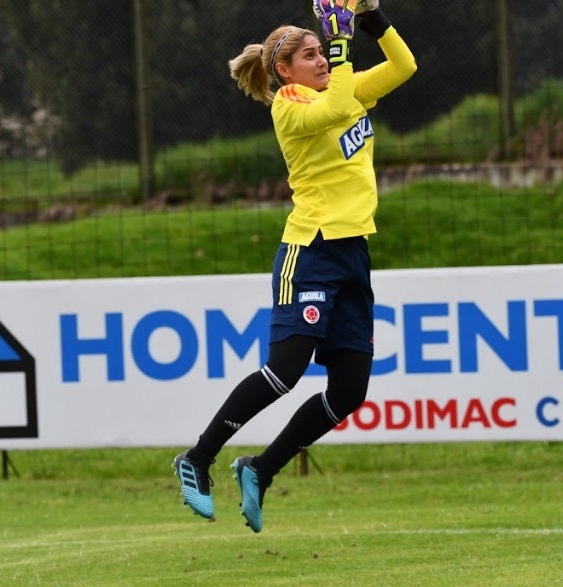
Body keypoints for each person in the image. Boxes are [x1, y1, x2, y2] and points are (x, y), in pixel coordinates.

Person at [172, 0, 416, 533]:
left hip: (353, 252)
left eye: (320, 52)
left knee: (350, 389)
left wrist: (372, 16)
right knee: (286, 369)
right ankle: (198, 457)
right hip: (311, 251)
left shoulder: (342, 89)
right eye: (309, 56)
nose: (321, 62)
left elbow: (404, 68)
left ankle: (260, 469)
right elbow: (331, 111)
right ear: (284, 70)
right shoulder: (289, 103)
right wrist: (340, 43)